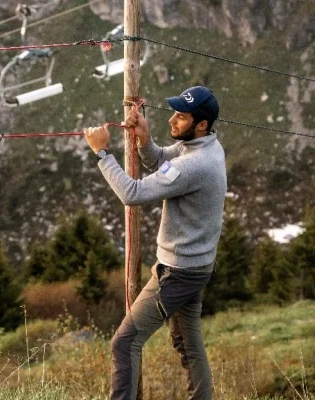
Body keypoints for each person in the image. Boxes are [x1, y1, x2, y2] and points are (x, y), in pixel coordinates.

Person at [83, 86, 226, 400]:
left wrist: (102, 153)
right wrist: (145, 138)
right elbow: (161, 160)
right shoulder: (205, 146)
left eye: (181, 116)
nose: (172, 120)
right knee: (188, 342)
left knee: (125, 342)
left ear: (200, 124)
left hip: (178, 272)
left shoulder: (194, 164)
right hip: (196, 266)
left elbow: (132, 194)